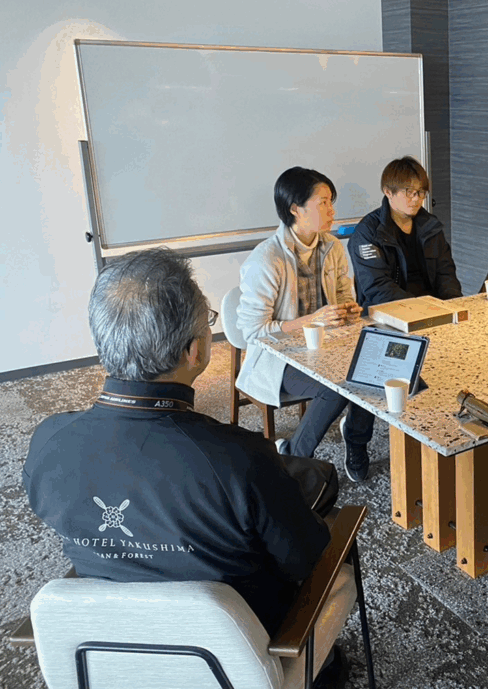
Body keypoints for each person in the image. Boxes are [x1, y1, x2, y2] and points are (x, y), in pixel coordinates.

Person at [22, 249, 347, 679]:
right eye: (208, 322)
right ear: (194, 351)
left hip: (108, 649)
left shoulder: (48, 443)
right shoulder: (239, 458)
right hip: (237, 655)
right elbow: (307, 560)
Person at [347, 156, 462, 480]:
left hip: (429, 311)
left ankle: (434, 431)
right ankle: (355, 440)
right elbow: (377, 289)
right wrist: (421, 311)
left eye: (420, 192)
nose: (415, 199)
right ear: (388, 191)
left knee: (456, 361)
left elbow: (446, 274)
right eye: (408, 192)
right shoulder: (368, 233)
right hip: (384, 316)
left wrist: (451, 309)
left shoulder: (430, 226)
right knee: (373, 378)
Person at [235, 166, 362, 460]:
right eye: (323, 202)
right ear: (295, 209)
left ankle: (356, 439)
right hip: (280, 358)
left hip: (327, 347)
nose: (332, 210)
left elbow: (344, 295)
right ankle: (293, 455)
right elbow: (253, 331)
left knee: (371, 369)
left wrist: (347, 309)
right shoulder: (267, 259)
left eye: (331, 201)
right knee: (337, 387)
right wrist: (312, 321)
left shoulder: (332, 246)